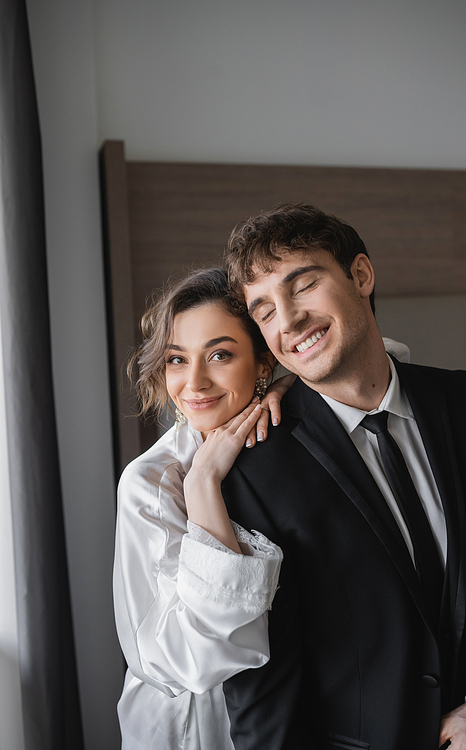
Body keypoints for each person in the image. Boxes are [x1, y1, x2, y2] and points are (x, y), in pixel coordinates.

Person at [221, 203, 466, 750]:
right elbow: (262, 688)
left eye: (303, 285)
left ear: (362, 276)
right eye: (264, 310)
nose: (289, 320)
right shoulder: (254, 470)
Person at [113, 267, 290, 750]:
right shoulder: (151, 484)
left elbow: (381, 358)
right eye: (176, 359)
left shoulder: (286, 434)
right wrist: (203, 484)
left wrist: (293, 383)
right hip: (194, 724)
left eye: (219, 355)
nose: (194, 382)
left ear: (262, 363)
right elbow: (186, 661)